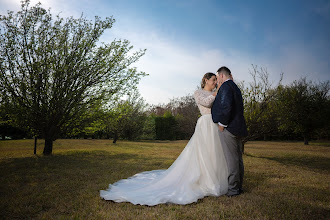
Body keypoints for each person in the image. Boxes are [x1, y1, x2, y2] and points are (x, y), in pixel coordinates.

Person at [100, 72, 229, 206]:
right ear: (206, 80)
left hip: (215, 124)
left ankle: (215, 180)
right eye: (213, 80)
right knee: (203, 153)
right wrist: (217, 92)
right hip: (205, 124)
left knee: (215, 153)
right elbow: (206, 103)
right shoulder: (199, 92)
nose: (215, 82)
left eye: (216, 80)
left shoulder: (217, 93)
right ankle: (205, 181)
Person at [211, 66, 248, 197]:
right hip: (238, 127)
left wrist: (222, 124)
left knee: (231, 161)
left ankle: (233, 190)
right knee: (238, 160)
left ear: (221, 75)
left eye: (217, 77)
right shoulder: (235, 87)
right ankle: (239, 187)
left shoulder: (226, 87)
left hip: (229, 128)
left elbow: (227, 106)